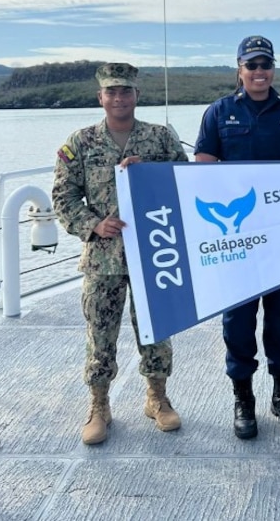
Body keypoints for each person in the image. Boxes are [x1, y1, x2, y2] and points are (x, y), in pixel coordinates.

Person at [52, 62, 189, 445]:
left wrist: (152, 173)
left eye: (125, 91)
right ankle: (99, 406)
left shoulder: (160, 139)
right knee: (100, 334)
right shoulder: (80, 142)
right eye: (111, 92)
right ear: (101, 97)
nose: (118, 97)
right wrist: (93, 224)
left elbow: (187, 182)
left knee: (156, 329)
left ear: (136, 96)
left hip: (154, 252)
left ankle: (157, 398)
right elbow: (63, 196)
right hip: (103, 259)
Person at [194, 35, 280, 439]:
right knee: (239, 323)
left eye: (265, 65)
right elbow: (204, 172)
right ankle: (243, 397)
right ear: (239, 69)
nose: (259, 72)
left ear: (273, 69)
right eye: (252, 65)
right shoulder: (219, 113)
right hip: (238, 240)